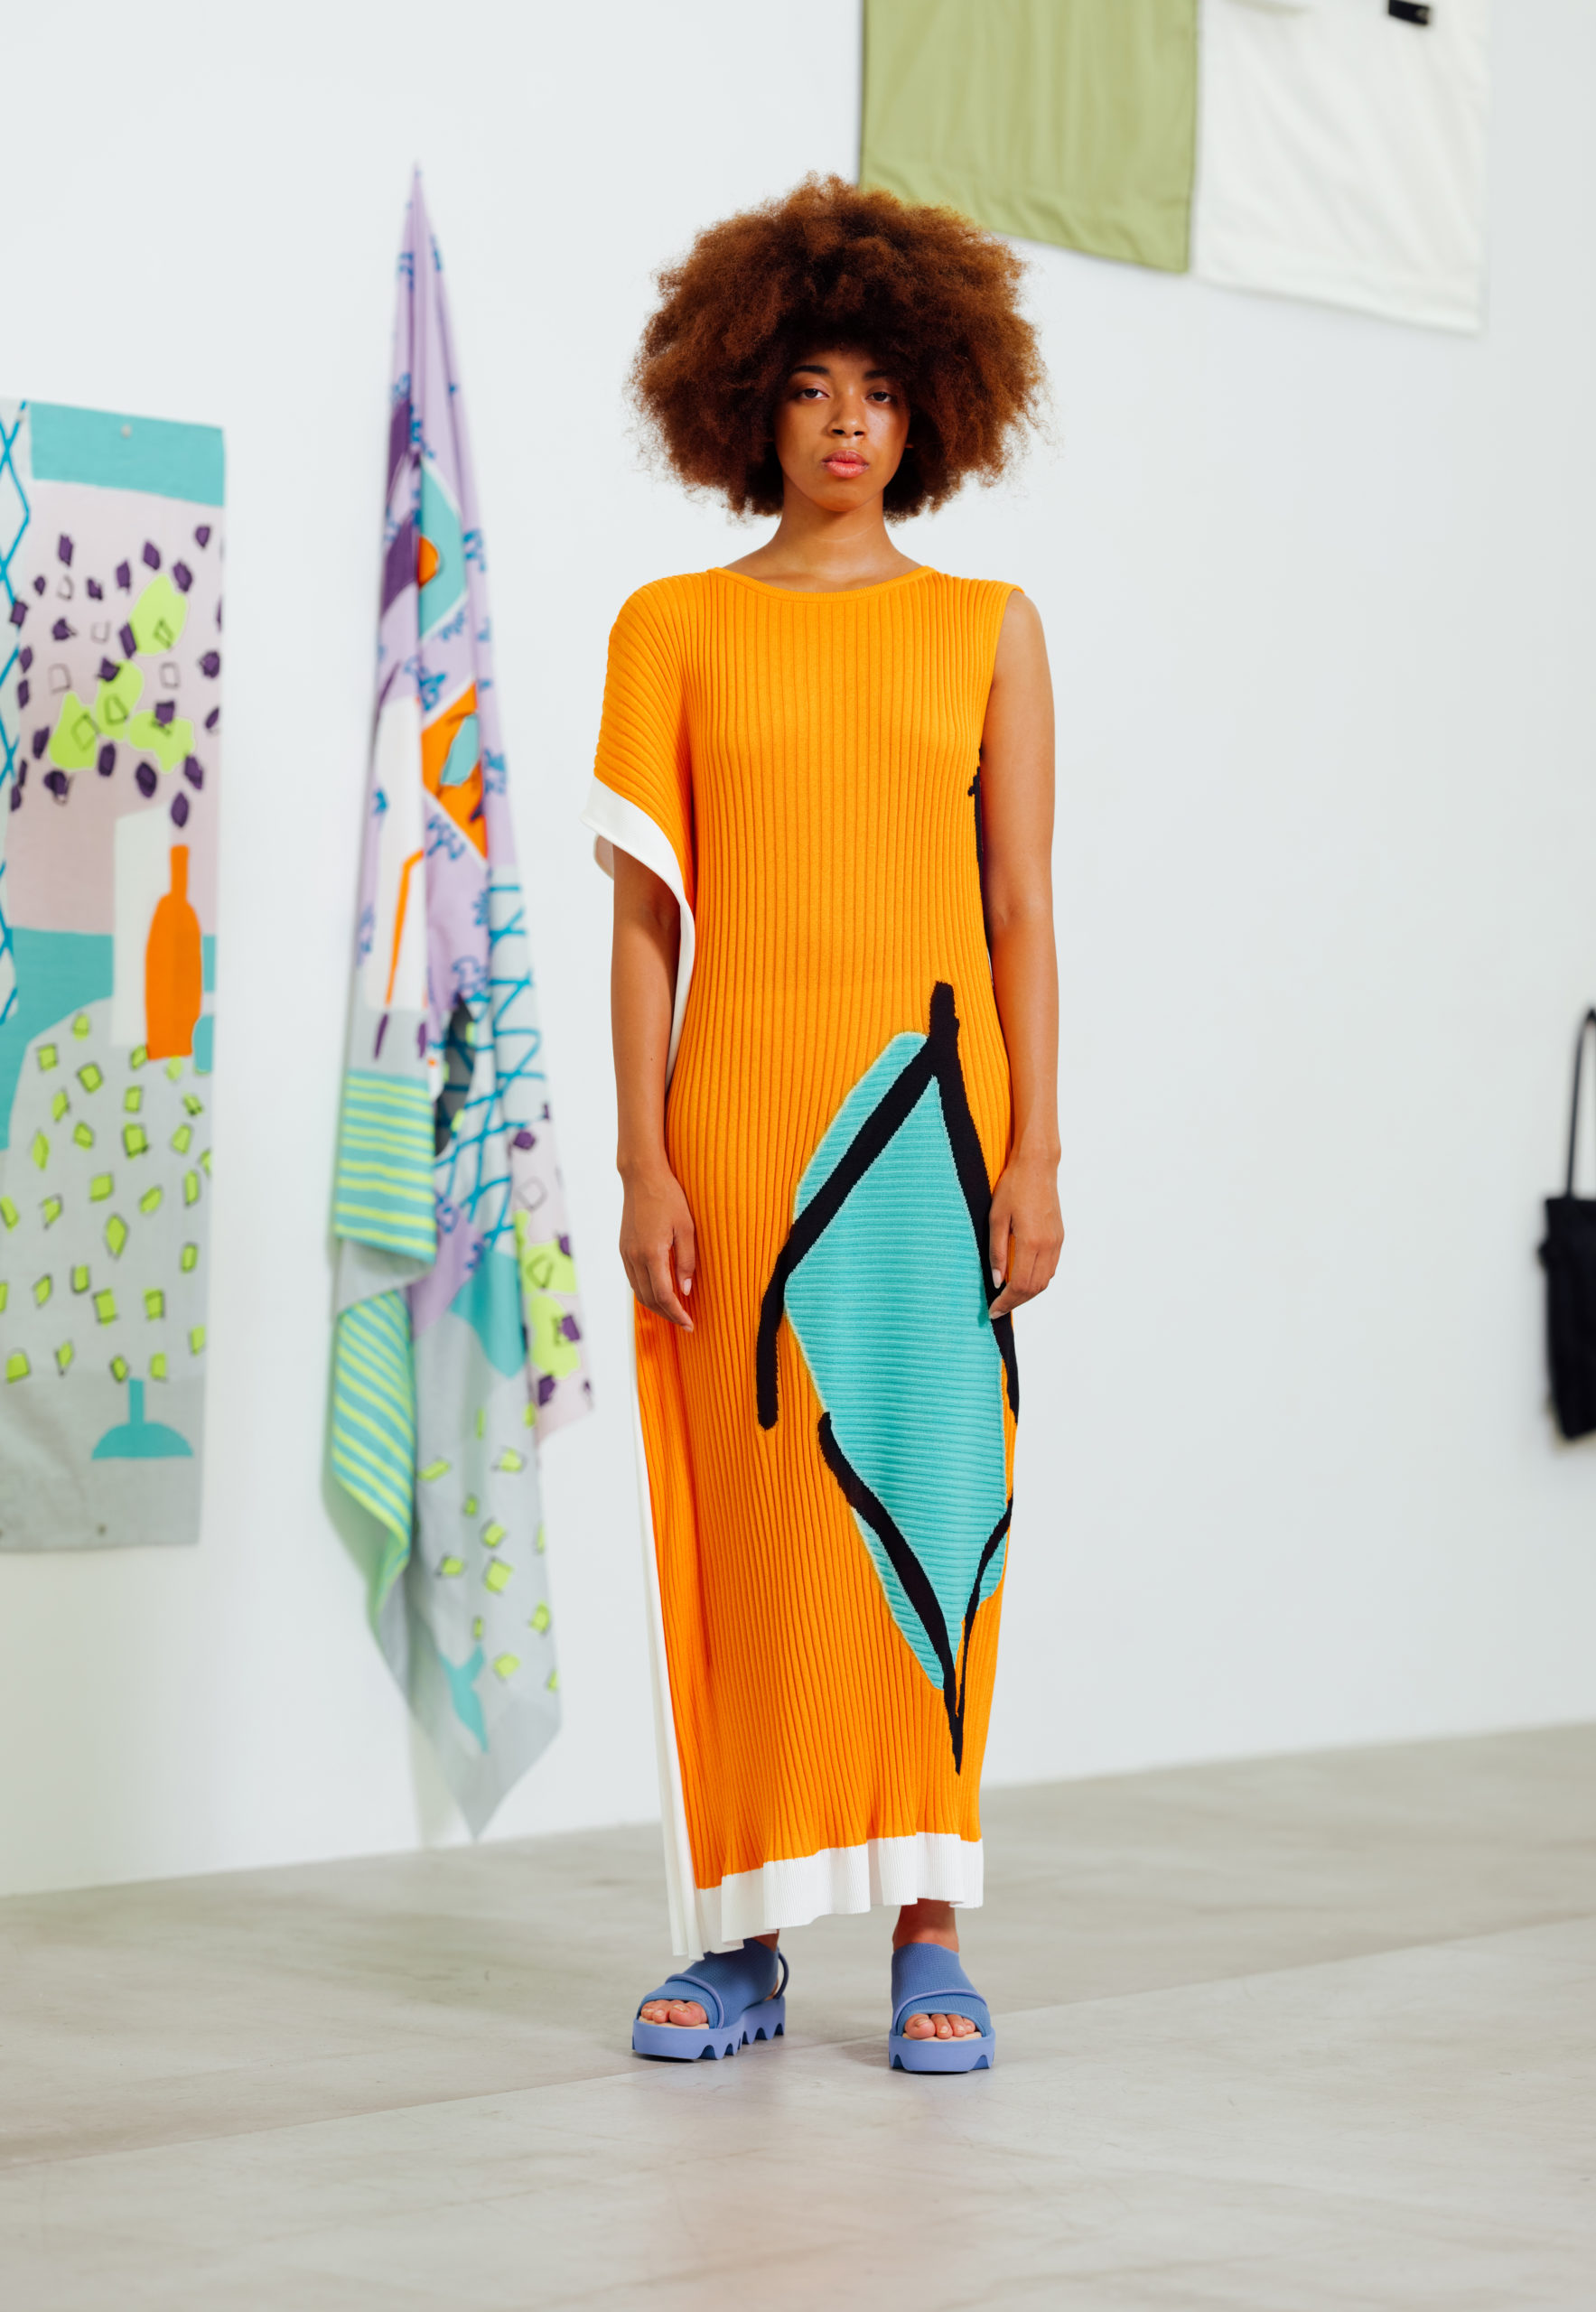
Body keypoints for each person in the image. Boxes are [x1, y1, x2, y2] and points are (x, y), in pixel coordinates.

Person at [583, 176, 1061, 2074]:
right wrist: (642, 1158)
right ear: (745, 403)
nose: (847, 421)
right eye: (808, 385)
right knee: (757, 1520)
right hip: (737, 1128)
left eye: (878, 386)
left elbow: (1020, 909)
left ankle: (931, 1927)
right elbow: (645, 921)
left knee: (936, 1507)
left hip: (938, 1127)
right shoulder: (671, 627)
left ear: (932, 404)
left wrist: (1036, 1153)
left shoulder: (988, 630)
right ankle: (744, 1935)